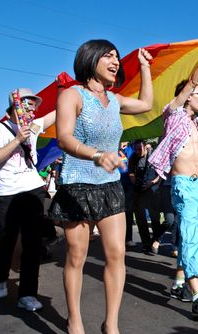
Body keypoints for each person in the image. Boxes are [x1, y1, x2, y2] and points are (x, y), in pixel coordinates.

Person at [49, 39, 153, 334]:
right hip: (77, 185)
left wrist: (145, 67)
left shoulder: (116, 100)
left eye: (117, 57)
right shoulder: (72, 94)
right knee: (77, 257)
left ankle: (112, 324)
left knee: (117, 253)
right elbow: (64, 138)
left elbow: (146, 104)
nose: (115, 61)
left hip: (109, 186)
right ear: (90, 59)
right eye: (108, 55)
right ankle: (75, 321)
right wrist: (97, 155)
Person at [149, 41, 198, 318]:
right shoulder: (175, 115)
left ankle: (179, 283)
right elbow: (193, 80)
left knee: (196, 240)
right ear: (187, 96)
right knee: (191, 239)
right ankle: (197, 295)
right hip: (183, 186)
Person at [0, 88, 56, 311]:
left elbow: (60, 110)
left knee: (32, 244)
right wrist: (17, 139)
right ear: (17, 105)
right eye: (30, 103)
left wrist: (67, 87)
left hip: (33, 189)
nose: (34, 107)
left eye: (35, 104)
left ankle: (27, 294)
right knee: (6, 240)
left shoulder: (34, 126)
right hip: (8, 192)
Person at [128, 140, 159, 254]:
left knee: (154, 218)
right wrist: (134, 181)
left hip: (152, 189)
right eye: (135, 149)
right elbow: (130, 172)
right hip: (139, 190)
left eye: (139, 149)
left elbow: (161, 174)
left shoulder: (154, 155)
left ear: (145, 147)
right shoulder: (133, 158)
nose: (137, 151)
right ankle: (146, 244)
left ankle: (156, 240)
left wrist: (151, 183)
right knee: (141, 219)